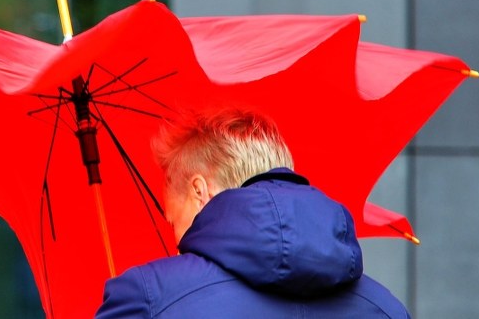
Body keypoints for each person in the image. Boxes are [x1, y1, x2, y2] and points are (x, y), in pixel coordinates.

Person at [96, 107, 410, 318]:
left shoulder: (148, 297)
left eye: (175, 219)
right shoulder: (386, 308)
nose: (176, 239)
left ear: (199, 191)